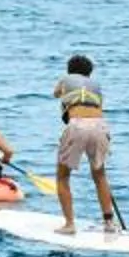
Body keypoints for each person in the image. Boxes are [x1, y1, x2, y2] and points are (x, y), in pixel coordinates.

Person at [52, 54, 117, 234]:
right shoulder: (96, 86)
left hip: (78, 126)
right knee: (100, 175)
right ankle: (109, 224)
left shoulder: (66, 79)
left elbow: (55, 93)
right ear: (89, 72)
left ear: (69, 70)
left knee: (63, 177)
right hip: (100, 126)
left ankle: (69, 224)